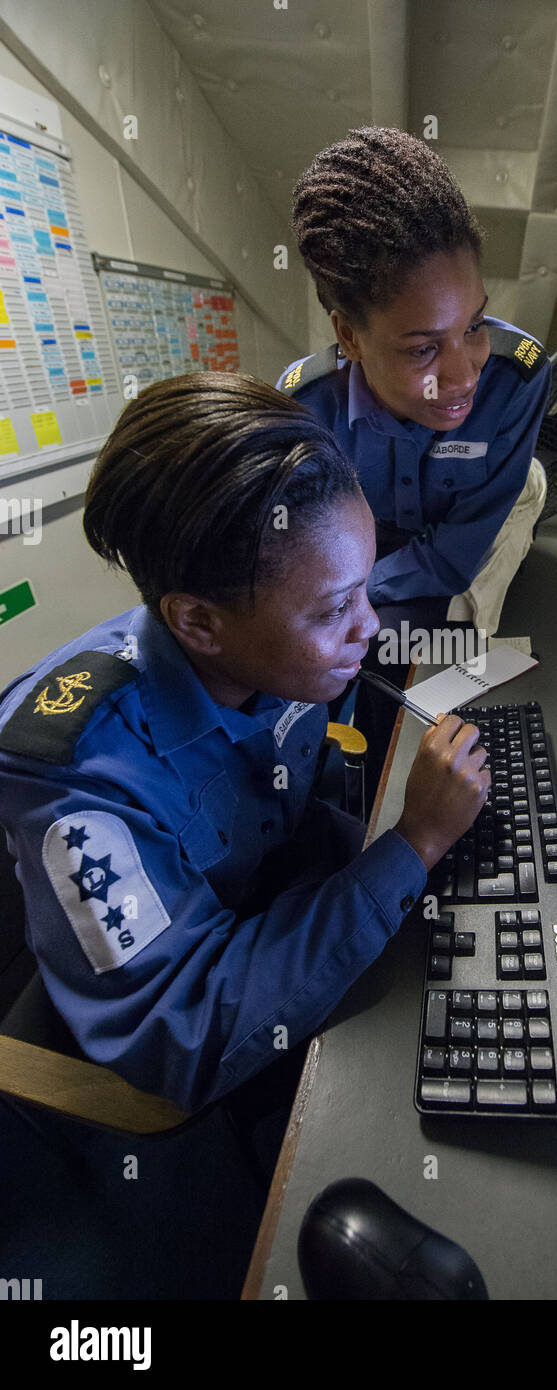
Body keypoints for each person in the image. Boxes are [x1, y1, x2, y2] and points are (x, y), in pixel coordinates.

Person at [0, 371, 490, 1115]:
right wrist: (411, 846)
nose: (371, 627)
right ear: (197, 623)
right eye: (334, 609)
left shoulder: (277, 656)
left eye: (364, 589)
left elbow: (300, 796)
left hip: (273, 911)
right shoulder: (75, 774)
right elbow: (182, 1035)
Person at [279, 126, 551, 782]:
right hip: (376, 540)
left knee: (452, 643)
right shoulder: (302, 409)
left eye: (474, 326)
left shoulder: (517, 378)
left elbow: (451, 560)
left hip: (486, 514)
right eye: (423, 348)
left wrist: (349, 601)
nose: (463, 378)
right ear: (349, 335)